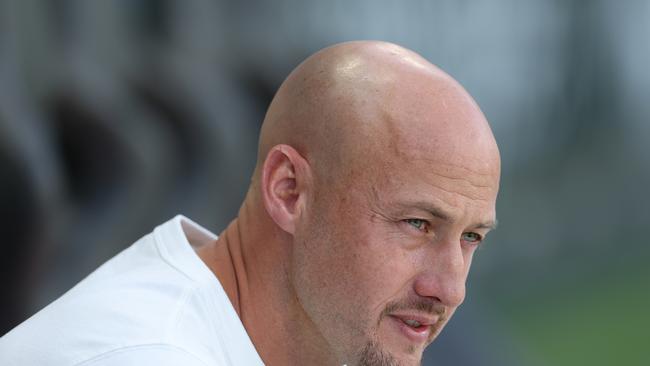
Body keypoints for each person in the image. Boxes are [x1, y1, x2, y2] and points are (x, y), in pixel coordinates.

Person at [0, 40, 500, 366]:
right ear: (289, 191)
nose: (450, 288)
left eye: (471, 236)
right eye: (417, 224)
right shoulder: (146, 354)